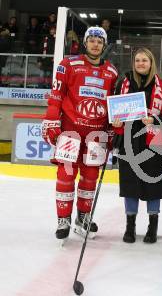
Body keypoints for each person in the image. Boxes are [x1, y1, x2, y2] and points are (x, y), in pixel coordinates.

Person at [41, 27, 118, 241]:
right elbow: (56, 96)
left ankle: (83, 217)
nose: (95, 44)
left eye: (99, 41)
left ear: (104, 45)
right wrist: (51, 121)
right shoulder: (68, 64)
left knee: (90, 177)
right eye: (92, 40)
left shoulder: (112, 72)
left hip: (97, 135)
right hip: (70, 132)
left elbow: (113, 106)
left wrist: (112, 131)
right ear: (85, 43)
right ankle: (63, 219)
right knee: (66, 176)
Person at [112, 48, 162, 244]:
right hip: (129, 141)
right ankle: (130, 226)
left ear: (151, 62)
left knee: (153, 184)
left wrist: (154, 119)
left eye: (144, 60)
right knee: (130, 185)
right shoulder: (124, 83)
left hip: (153, 143)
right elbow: (114, 111)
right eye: (137, 60)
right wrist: (115, 122)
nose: (140, 63)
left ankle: (152, 227)